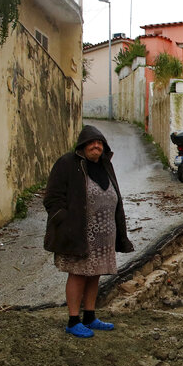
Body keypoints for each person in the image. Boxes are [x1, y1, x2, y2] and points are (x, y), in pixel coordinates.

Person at [44, 125, 134, 338]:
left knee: (95, 274)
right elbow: (52, 198)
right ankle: (73, 320)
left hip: (104, 234)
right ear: (82, 146)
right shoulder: (67, 164)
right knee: (78, 274)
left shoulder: (105, 166)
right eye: (91, 143)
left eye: (100, 142)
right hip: (78, 232)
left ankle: (90, 316)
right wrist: (64, 221)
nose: (96, 146)